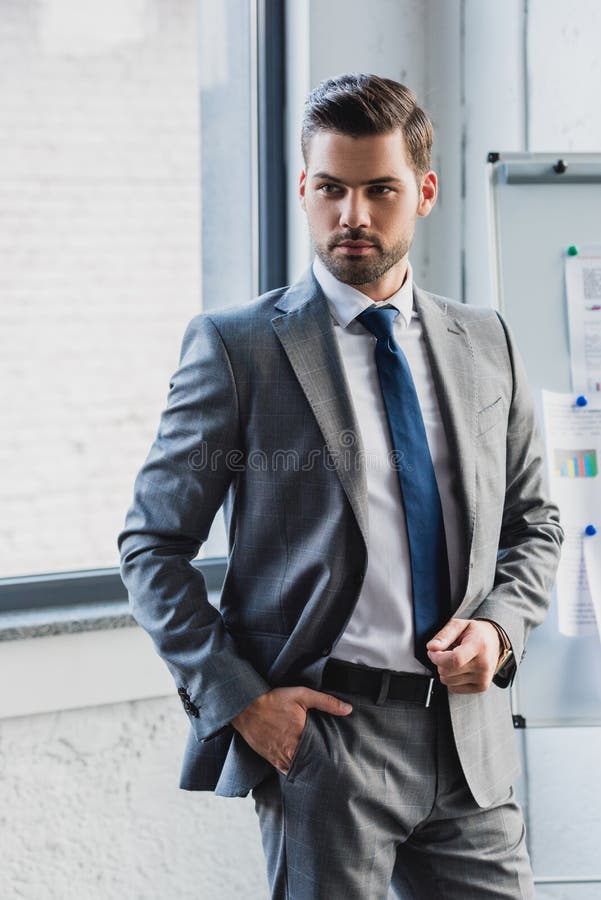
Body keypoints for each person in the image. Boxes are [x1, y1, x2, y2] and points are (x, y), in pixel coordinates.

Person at [118, 73, 563, 899]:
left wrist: (497, 632)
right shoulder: (238, 348)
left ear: (423, 192)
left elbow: (534, 525)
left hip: (469, 743)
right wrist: (242, 701)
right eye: (330, 189)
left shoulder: (485, 341)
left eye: (378, 190)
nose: (351, 215)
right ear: (303, 189)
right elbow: (153, 544)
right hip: (326, 743)